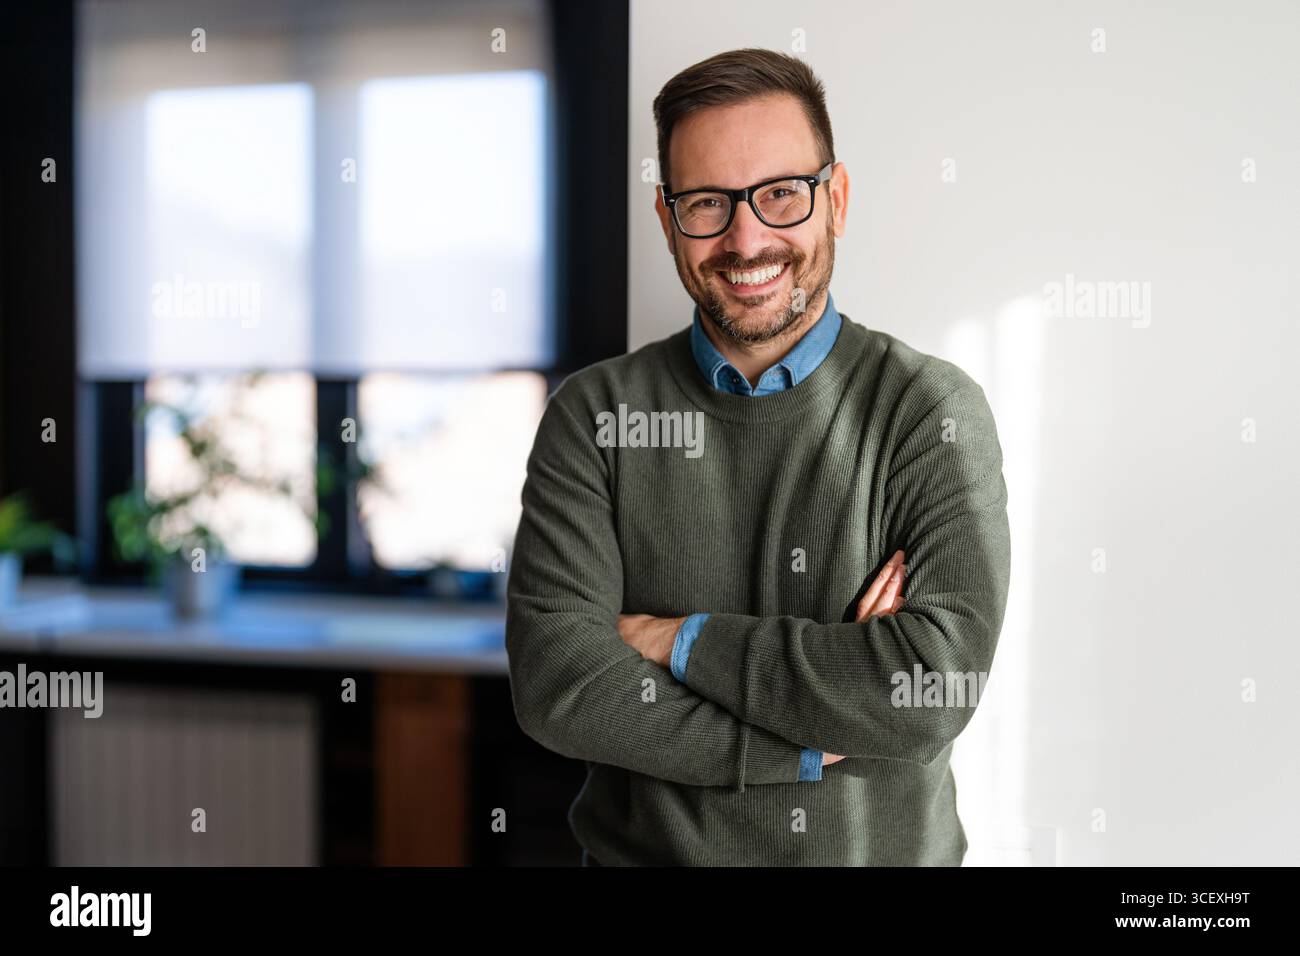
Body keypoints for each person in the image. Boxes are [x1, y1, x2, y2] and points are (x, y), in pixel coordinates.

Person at [506, 48, 1011, 866]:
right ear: (669, 221)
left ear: (835, 200)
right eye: (707, 203)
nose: (747, 240)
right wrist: (808, 742)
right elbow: (560, 689)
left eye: (780, 194)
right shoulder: (594, 418)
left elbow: (930, 688)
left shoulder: (930, 413)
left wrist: (678, 642)